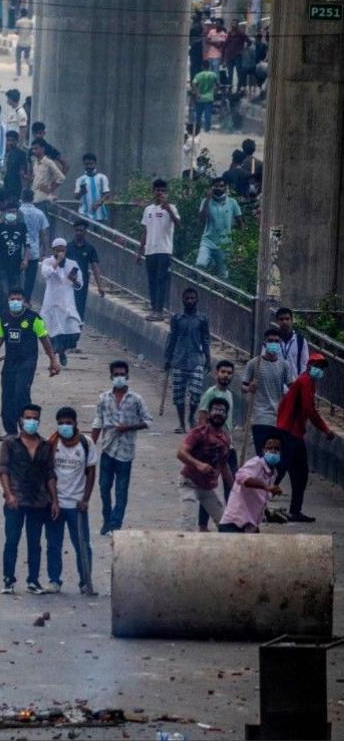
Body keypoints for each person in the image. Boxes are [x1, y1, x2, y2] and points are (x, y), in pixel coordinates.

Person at [0, 288, 59, 435]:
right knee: (7, 396)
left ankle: (27, 430)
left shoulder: (33, 318)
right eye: (12, 299)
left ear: (24, 302)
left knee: (21, 393)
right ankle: (10, 432)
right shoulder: (3, 317)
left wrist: (53, 360)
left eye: (18, 299)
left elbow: (44, 339)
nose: (15, 302)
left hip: (27, 362)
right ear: (8, 301)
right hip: (10, 362)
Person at [0, 404, 58, 595]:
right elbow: (3, 470)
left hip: (38, 501)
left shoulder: (45, 446)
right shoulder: (9, 443)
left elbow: (50, 474)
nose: (31, 422)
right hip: (16, 501)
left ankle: (33, 580)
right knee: (12, 541)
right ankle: (8, 579)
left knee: (35, 543)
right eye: (28, 418)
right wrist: (8, 494)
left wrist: (54, 500)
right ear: (21, 420)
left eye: (35, 419)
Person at [273, 352, 336, 522]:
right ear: (309, 366)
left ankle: (293, 509)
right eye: (317, 366)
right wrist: (326, 430)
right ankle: (292, 509)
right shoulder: (306, 382)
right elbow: (310, 410)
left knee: (290, 470)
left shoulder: (305, 381)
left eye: (321, 368)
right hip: (291, 432)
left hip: (290, 430)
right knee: (292, 471)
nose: (319, 370)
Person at [91, 360, 152, 534]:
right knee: (104, 488)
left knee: (121, 491)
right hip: (108, 449)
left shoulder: (136, 399)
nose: (119, 378)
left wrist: (129, 427)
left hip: (126, 452)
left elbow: (148, 421)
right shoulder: (104, 398)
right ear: (111, 376)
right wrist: (90, 445)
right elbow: (98, 421)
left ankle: (116, 524)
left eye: (122, 374)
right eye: (116, 375)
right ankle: (107, 519)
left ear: (127, 376)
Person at [44, 407, 98, 595]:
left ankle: (85, 581)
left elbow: (91, 471)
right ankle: (54, 580)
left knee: (82, 545)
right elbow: (48, 472)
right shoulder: (52, 443)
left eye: (68, 422)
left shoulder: (86, 443)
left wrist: (86, 499)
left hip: (77, 505)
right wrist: (53, 501)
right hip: (56, 504)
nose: (64, 426)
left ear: (75, 423)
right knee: (53, 544)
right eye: (61, 423)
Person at [177, 396, 236, 530]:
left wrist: (235, 489)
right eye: (215, 410)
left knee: (225, 526)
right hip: (189, 483)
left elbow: (224, 466)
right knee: (188, 526)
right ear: (209, 414)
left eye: (222, 411)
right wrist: (198, 464)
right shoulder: (198, 433)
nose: (218, 413)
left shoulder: (225, 439)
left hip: (207, 488)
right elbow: (181, 453)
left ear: (226, 415)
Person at [244, 328, 297, 458]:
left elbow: (292, 387)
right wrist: (249, 388)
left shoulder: (284, 365)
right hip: (260, 417)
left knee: (276, 457)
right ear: (265, 343)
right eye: (270, 341)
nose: (273, 343)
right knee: (262, 457)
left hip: (278, 419)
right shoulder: (254, 364)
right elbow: (243, 386)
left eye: (276, 341)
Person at [165, 288, 211, 433]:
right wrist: (168, 358)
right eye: (187, 298)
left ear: (197, 300)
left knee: (196, 393)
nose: (190, 301)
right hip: (178, 359)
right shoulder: (177, 318)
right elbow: (172, 338)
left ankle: (191, 417)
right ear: (183, 300)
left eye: (192, 298)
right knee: (178, 394)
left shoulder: (202, 319)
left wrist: (208, 359)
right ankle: (181, 424)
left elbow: (206, 339)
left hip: (196, 359)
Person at [219, 435, 284, 533]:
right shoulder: (257, 463)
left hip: (250, 526)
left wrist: (273, 492)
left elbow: (264, 496)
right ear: (263, 451)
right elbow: (241, 477)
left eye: (277, 449)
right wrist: (267, 487)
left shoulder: (273, 473)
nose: (273, 451)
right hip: (234, 523)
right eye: (269, 448)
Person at [137, 178, 179, 320]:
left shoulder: (171, 208)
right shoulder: (148, 209)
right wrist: (140, 250)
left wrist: (168, 209)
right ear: (153, 191)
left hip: (164, 250)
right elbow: (144, 231)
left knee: (161, 280)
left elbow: (178, 223)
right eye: (157, 190)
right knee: (152, 281)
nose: (159, 193)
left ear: (166, 192)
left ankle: (159, 310)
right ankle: (154, 308)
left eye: (162, 191)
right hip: (150, 250)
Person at [40, 238, 83, 367]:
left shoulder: (72, 263)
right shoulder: (47, 262)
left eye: (62, 250)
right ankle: (53, 358)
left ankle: (62, 351)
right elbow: (46, 274)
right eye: (57, 250)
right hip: (52, 301)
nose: (60, 252)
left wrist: (74, 280)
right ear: (53, 250)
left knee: (73, 331)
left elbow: (80, 284)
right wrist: (57, 262)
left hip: (67, 302)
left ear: (66, 250)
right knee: (52, 332)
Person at [196, 177, 243, 279]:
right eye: (216, 186)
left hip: (224, 244)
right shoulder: (205, 201)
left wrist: (240, 242)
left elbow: (240, 222)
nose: (218, 188)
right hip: (208, 241)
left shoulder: (232, 202)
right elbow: (202, 220)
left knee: (223, 276)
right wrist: (207, 200)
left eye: (221, 186)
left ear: (225, 188)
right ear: (211, 188)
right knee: (200, 264)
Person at [0, 204, 29, 318]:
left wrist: (25, 260)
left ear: (17, 213)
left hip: (17, 266)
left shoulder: (22, 227)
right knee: (4, 292)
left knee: (15, 293)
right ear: (5, 213)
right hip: (2, 266)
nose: (11, 214)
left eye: (13, 212)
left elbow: (27, 245)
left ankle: (14, 318)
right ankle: (2, 319)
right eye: (9, 212)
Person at [65, 221, 104, 326]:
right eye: (77, 230)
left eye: (81, 230)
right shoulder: (68, 247)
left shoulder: (90, 249)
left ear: (85, 232)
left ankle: (78, 328)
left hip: (81, 283)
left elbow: (95, 267)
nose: (78, 233)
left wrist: (99, 286)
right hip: (67, 282)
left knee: (80, 305)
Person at [18, 189, 49, 303]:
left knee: (16, 277)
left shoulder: (17, 212)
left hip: (18, 250)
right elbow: (43, 234)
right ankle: (26, 300)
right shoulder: (40, 213)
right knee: (30, 279)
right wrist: (45, 251)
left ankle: (16, 299)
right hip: (34, 251)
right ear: (33, 198)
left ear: (22, 197)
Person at [74, 153, 111, 223]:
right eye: (86, 164)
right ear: (84, 164)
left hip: (99, 213)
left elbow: (107, 194)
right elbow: (76, 197)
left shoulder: (102, 178)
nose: (89, 166)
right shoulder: (80, 179)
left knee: (99, 233)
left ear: (95, 163)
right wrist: (81, 192)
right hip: (84, 213)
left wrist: (98, 203)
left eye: (91, 164)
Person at [274, 307, 310, 376]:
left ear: (292, 320)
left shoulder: (301, 341)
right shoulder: (271, 340)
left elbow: (304, 364)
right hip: (275, 383)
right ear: (277, 321)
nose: (284, 322)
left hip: (294, 384)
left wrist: (300, 383)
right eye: (281, 319)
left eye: (287, 319)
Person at [2, 132, 28, 207]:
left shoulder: (21, 154)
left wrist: (23, 188)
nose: (10, 142)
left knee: (12, 208)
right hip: (5, 186)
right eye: (9, 140)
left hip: (15, 188)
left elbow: (22, 172)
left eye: (13, 140)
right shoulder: (4, 153)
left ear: (17, 141)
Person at [191, 64, 219, 132]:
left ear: (202, 67)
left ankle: (198, 128)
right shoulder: (213, 75)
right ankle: (207, 129)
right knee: (208, 114)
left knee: (198, 115)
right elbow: (218, 84)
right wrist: (215, 91)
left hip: (200, 98)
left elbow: (193, 83)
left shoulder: (198, 75)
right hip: (209, 97)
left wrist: (197, 93)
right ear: (209, 67)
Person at [14, 8, 33, 77]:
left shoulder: (18, 22)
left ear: (21, 14)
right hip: (28, 42)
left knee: (18, 57)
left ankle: (18, 72)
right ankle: (31, 67)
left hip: (20, 42)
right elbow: (31, 30)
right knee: (26, 57)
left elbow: (16, 32)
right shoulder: (30, 22)